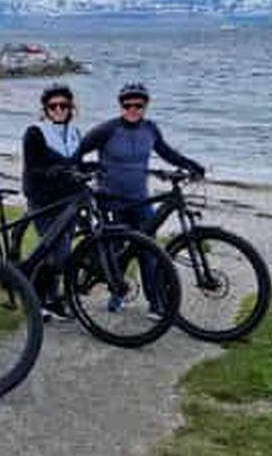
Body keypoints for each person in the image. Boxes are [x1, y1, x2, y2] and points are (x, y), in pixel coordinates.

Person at [79, 80, 204, 314]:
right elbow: (77, 151)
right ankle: (117, 293)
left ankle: (155, 304)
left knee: (149, 251)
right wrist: (86, 169)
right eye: (128, 105)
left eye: (138, 105)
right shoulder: (107, 129)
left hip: (140, 200)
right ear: (121, 106)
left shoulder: (151, 129)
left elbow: (166, 152)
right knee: (119, 251)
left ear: (145, 105)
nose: (133, 109)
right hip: (111, 200)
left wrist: (190, 164)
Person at [22, 82, 83, 321]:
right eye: (52, 106)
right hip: (44, 201)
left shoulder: (76, 133)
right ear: (45, 109)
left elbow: (77, 162)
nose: (58, 109)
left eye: (63, 105)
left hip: (69, 200)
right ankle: (36, 300)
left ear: (71, 107)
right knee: (56, 254)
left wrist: (97, 168)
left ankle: (52, 299)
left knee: (62, 252)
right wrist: (56, 170)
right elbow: (34, 166)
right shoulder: (35, 131)